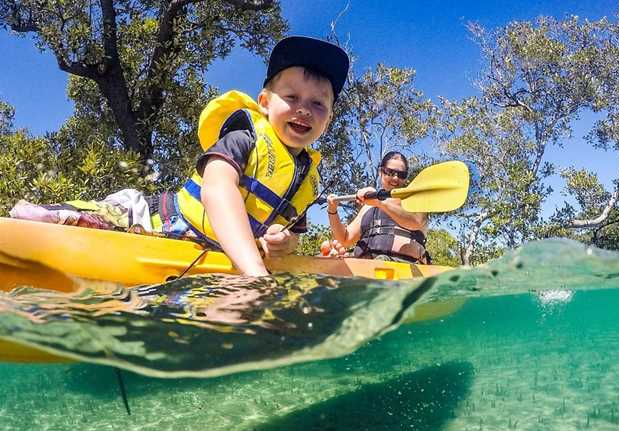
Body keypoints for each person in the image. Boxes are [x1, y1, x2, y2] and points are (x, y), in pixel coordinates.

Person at [152, 36, 350, 277]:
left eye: (318, 103)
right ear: (265, 103)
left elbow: (295, 235)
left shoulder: (306, 180)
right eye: (292, 97)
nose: (304, 109)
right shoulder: (245, 138)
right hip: (167, 225)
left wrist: (284, 241)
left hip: (232, 262)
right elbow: (217, 188)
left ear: (328, 121)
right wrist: (256, 271)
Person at [323, 151, 430, 264]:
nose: (395, 178)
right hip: (366, 267)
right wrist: (332, 210)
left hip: (405, 267)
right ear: (380, 172)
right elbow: (345, 239)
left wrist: (380, 202)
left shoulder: (414, 201)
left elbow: (416, 222)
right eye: (390, 172)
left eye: (401, 174)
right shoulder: (368, 207)